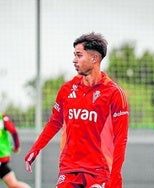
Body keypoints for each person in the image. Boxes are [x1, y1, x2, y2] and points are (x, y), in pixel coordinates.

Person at [24, 32, 129, 188]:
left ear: (94, 58)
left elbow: (121, 139)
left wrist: (115, 178)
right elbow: (55, 121)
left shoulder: (114, 93)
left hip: (99, 171)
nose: (74, 60)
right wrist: (36, 148)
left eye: (79, 55)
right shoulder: (67, 89)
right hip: (69, 169)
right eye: (74, 55)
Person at [0, 113, 31, 188]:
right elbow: (13, 131)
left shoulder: (3, 118)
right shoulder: (3, 118)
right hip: (3, 156)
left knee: (13, 184)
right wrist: (17, 147)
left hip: (1, 155)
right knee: (13, 184)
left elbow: (13, 131)